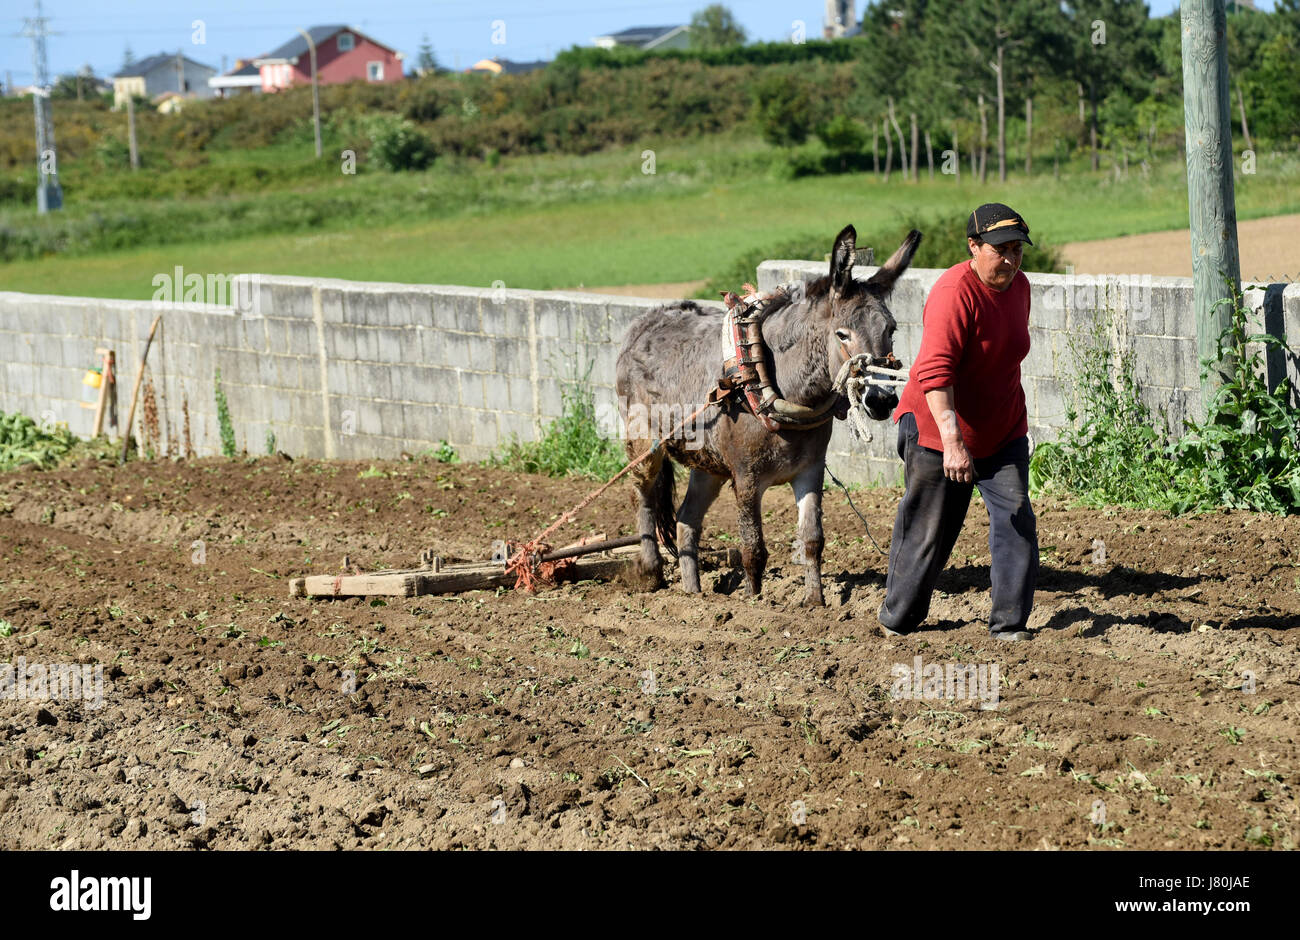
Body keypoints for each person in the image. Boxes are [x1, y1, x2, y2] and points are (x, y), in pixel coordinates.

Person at [877, 203, 1039, 641]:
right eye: (999, 250)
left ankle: (1009, 625)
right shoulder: (955, 292)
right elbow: (935, 372)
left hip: (1001, 430)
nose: (1010, 259)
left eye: (1016, 250)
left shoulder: (1019, 287)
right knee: (932, 530)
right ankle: (898, 619)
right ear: (973, 246)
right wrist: (953, 442)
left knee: (1016, 517)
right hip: (936, 430)